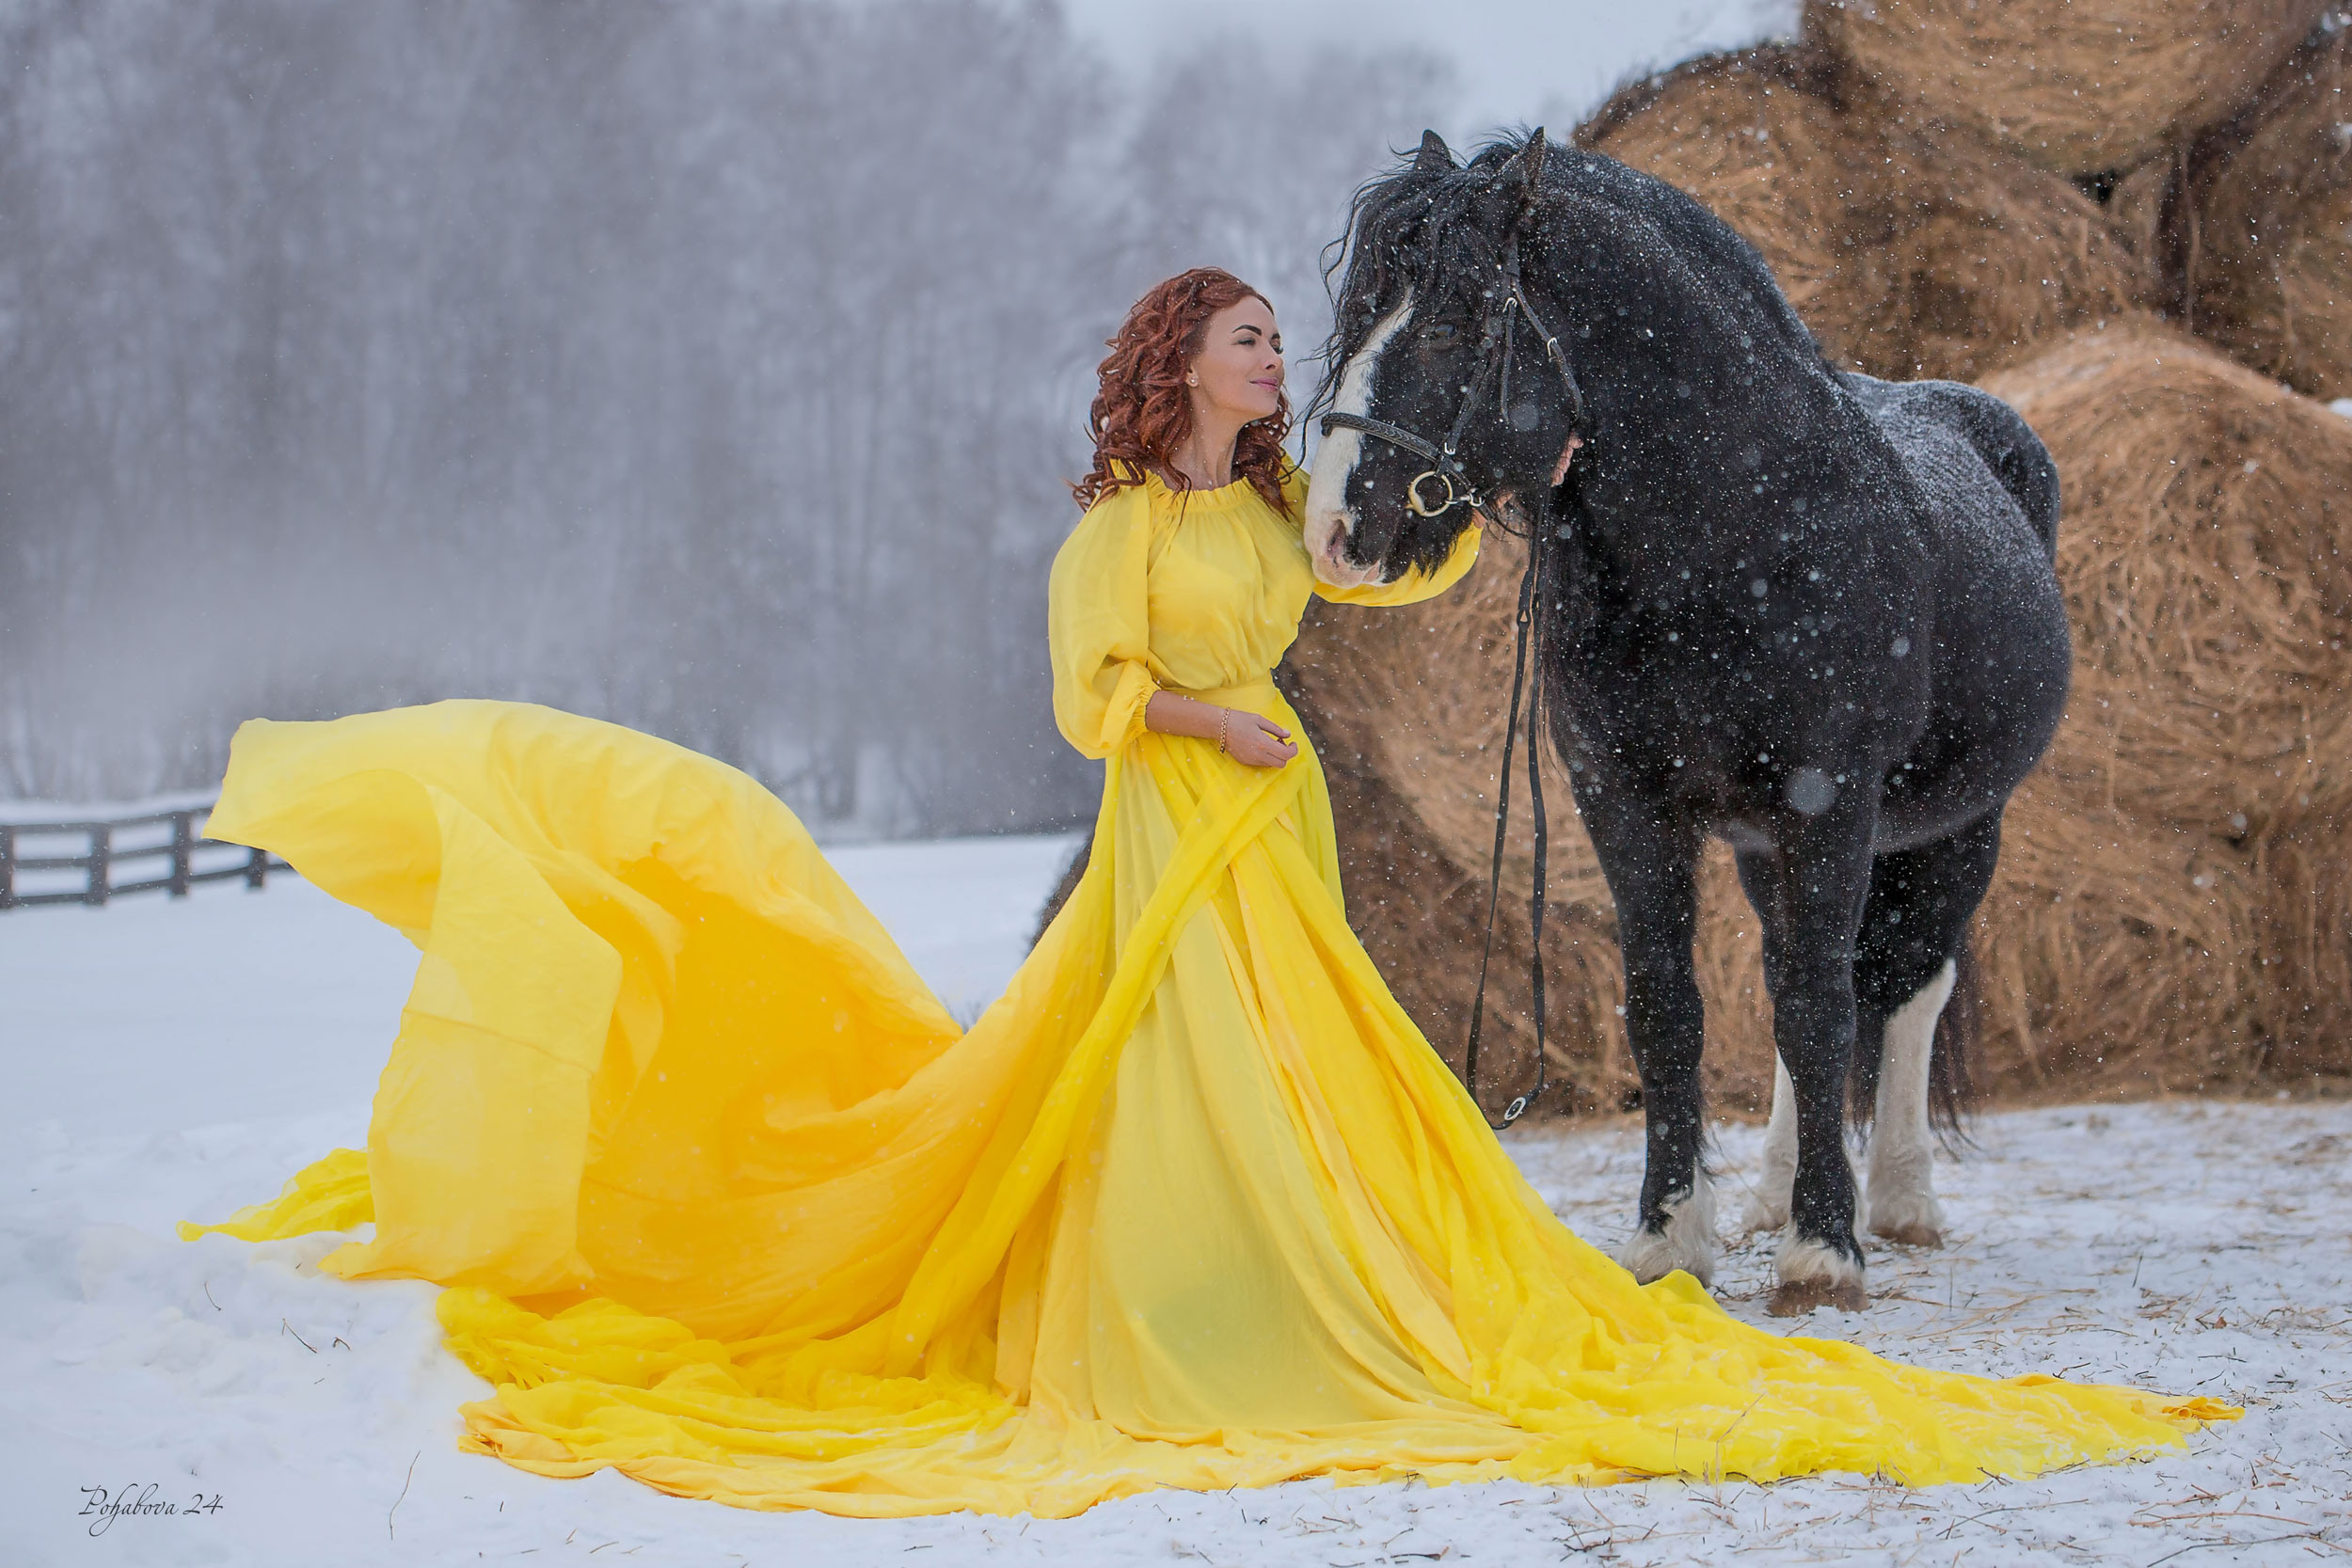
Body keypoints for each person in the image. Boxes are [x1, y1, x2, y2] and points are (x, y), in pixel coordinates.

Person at [183, 267, 2227, 1518]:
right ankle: (1168, 1298)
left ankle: (1275, 1264)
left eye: (1278, 338)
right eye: (1255, 334)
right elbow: (1085, 700)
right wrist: (1199, 721)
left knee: (1297, 1065)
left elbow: (1376, 571)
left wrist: (1534, 494)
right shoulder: (1112, 531)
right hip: (1192, 815)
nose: (1280, 354)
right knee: (1161, 1059)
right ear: (1187, 362)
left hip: (1279, 830)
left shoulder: (1261, 511)